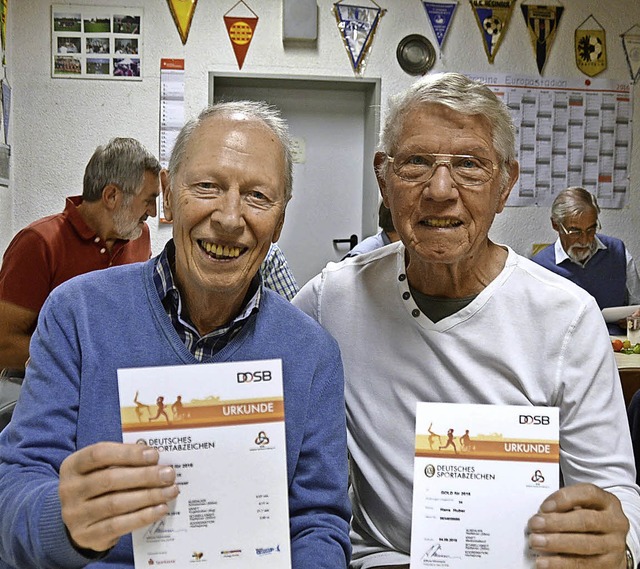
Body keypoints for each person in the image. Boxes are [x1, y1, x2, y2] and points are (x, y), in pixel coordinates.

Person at [293, 72, 640, 568]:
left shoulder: (566, 317)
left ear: (504, 185)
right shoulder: (334, 298)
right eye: (415, 163)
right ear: (384, 180)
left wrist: (618, 546)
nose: (440, 190)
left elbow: (612, 490)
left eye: (469, 165)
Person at [0, 100, 350, 569]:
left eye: (257, 197)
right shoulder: (76, 313)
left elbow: (318, 524)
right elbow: (15, 490)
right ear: (167, 194)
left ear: (280, 220)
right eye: (206, 186)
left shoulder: (312, 355)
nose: (228, 217)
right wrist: (64, 521)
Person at [0, 137, 161, 374]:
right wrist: (85, 359)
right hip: (46, 384)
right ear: (111, 196)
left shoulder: (140, 236)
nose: (154, 212)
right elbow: (4, 343)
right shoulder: (38, 243)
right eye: (149, 201)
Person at [531, 186, 640, 333]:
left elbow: (637, 304)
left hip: (615, 346)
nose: (584, 240)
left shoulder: (617, 252)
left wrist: (635, 319)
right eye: (575, 231)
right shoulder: (539, 266)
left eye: (591, 229)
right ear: (556, 225)